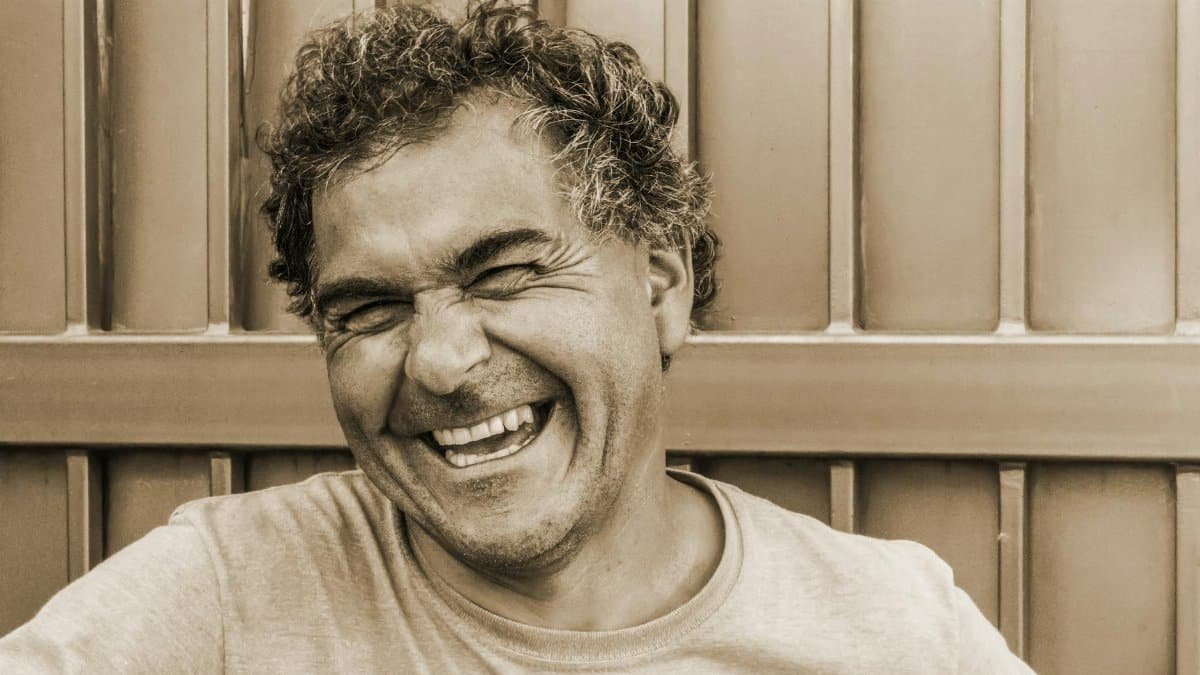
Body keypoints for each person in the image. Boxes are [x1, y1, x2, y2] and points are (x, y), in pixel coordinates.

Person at [0, 2, 1033, 672]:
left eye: (504, 272)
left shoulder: (895, 629)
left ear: (661, 284)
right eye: (369, 310)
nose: (441, 362)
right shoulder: (222, 602)